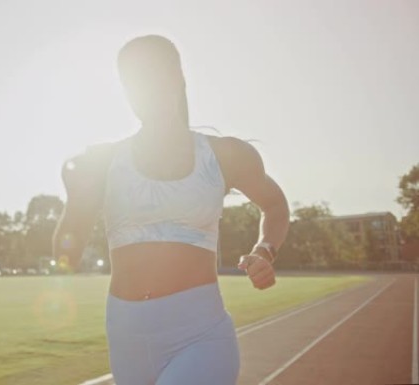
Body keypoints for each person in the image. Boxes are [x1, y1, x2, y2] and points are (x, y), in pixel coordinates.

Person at [52, 35, 290, 385]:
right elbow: (66, 259)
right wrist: (75, 199)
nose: (145, 89)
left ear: (178, 76)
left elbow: (275, 204)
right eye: (133, 81)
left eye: (153, 74)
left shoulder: (225, 155)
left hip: (199, 336)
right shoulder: (104, 162)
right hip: (126, 339)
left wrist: (264, 251)